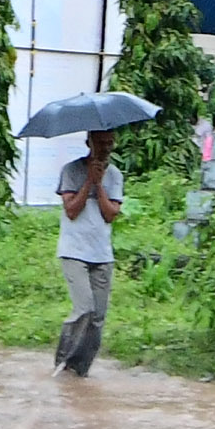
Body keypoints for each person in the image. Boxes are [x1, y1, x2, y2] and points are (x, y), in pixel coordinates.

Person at [54, 129, 124, 377]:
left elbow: (110, 214)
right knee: (83, 308)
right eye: (101, 143)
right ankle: (62, 361)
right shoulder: (70, 170)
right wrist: (88, 182)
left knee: (97, 318)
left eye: (110, 143)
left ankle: (79, 370)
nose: (106, 147)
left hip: (102, 253)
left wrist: (99, 184)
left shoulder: (115, 175)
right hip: (74, 251)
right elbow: (71, 210)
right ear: (88, 143)